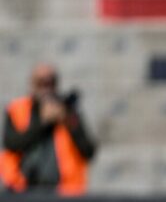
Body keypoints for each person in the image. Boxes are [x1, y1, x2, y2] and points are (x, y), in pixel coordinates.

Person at [1, 63, 97, 195]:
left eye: (50, 82)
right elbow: (11, 143)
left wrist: (67, 120)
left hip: (64, 191)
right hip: (22, 189)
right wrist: (43, 123)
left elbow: (88, 150)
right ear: (32, 83)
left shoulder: (68, 111)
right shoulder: (17, 109)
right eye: (41, 82)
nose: (46, 87)